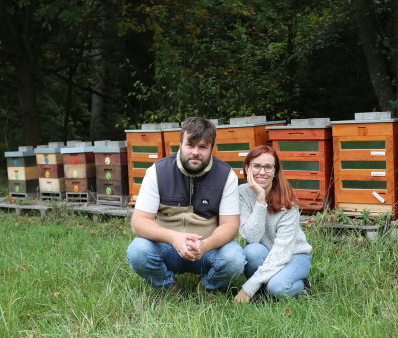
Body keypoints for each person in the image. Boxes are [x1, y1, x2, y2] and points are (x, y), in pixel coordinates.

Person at [126, 117, 245, 292]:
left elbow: (230, 225)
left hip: (206, 250)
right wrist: (174, 238)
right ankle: (169, 287)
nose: (195, 152)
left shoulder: (226, 175)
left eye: (203, 147)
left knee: (235, 258)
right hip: (167, 248)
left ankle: (206, 288)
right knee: (137, 251)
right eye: (190, 145)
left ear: (212, 148)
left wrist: (205, 245)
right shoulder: (157, 172)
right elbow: (139, 222)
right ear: (181, 144)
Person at [234, 145, 312, 303]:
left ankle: (302, 286)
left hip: (293, 255)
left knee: (277, 288)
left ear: (275, 172)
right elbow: (252, 237)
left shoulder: (287, 202)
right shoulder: (242, 192)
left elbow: (281, 252)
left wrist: (247, 288)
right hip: (263, 252)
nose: (262, 172)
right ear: (247, 168)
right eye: (256, 166)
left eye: (268, 167)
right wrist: (260, 199)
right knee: (252, 251)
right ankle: (264, 286)